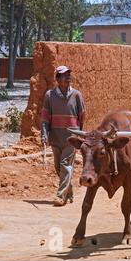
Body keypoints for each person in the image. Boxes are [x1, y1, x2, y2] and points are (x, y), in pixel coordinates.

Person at [41, 66, 86, 206]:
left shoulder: (77, 95)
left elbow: (82, 115)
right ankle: (69, 192)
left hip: (71, 138)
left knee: (65, 164)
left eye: (68, 74)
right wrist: (44, 133)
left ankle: (60, 196)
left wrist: (79, 134)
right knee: (59, 168)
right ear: (57, 79)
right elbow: (45, 117)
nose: (67, 77)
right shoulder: (50, 95)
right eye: (63, 75)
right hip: (55, 137)